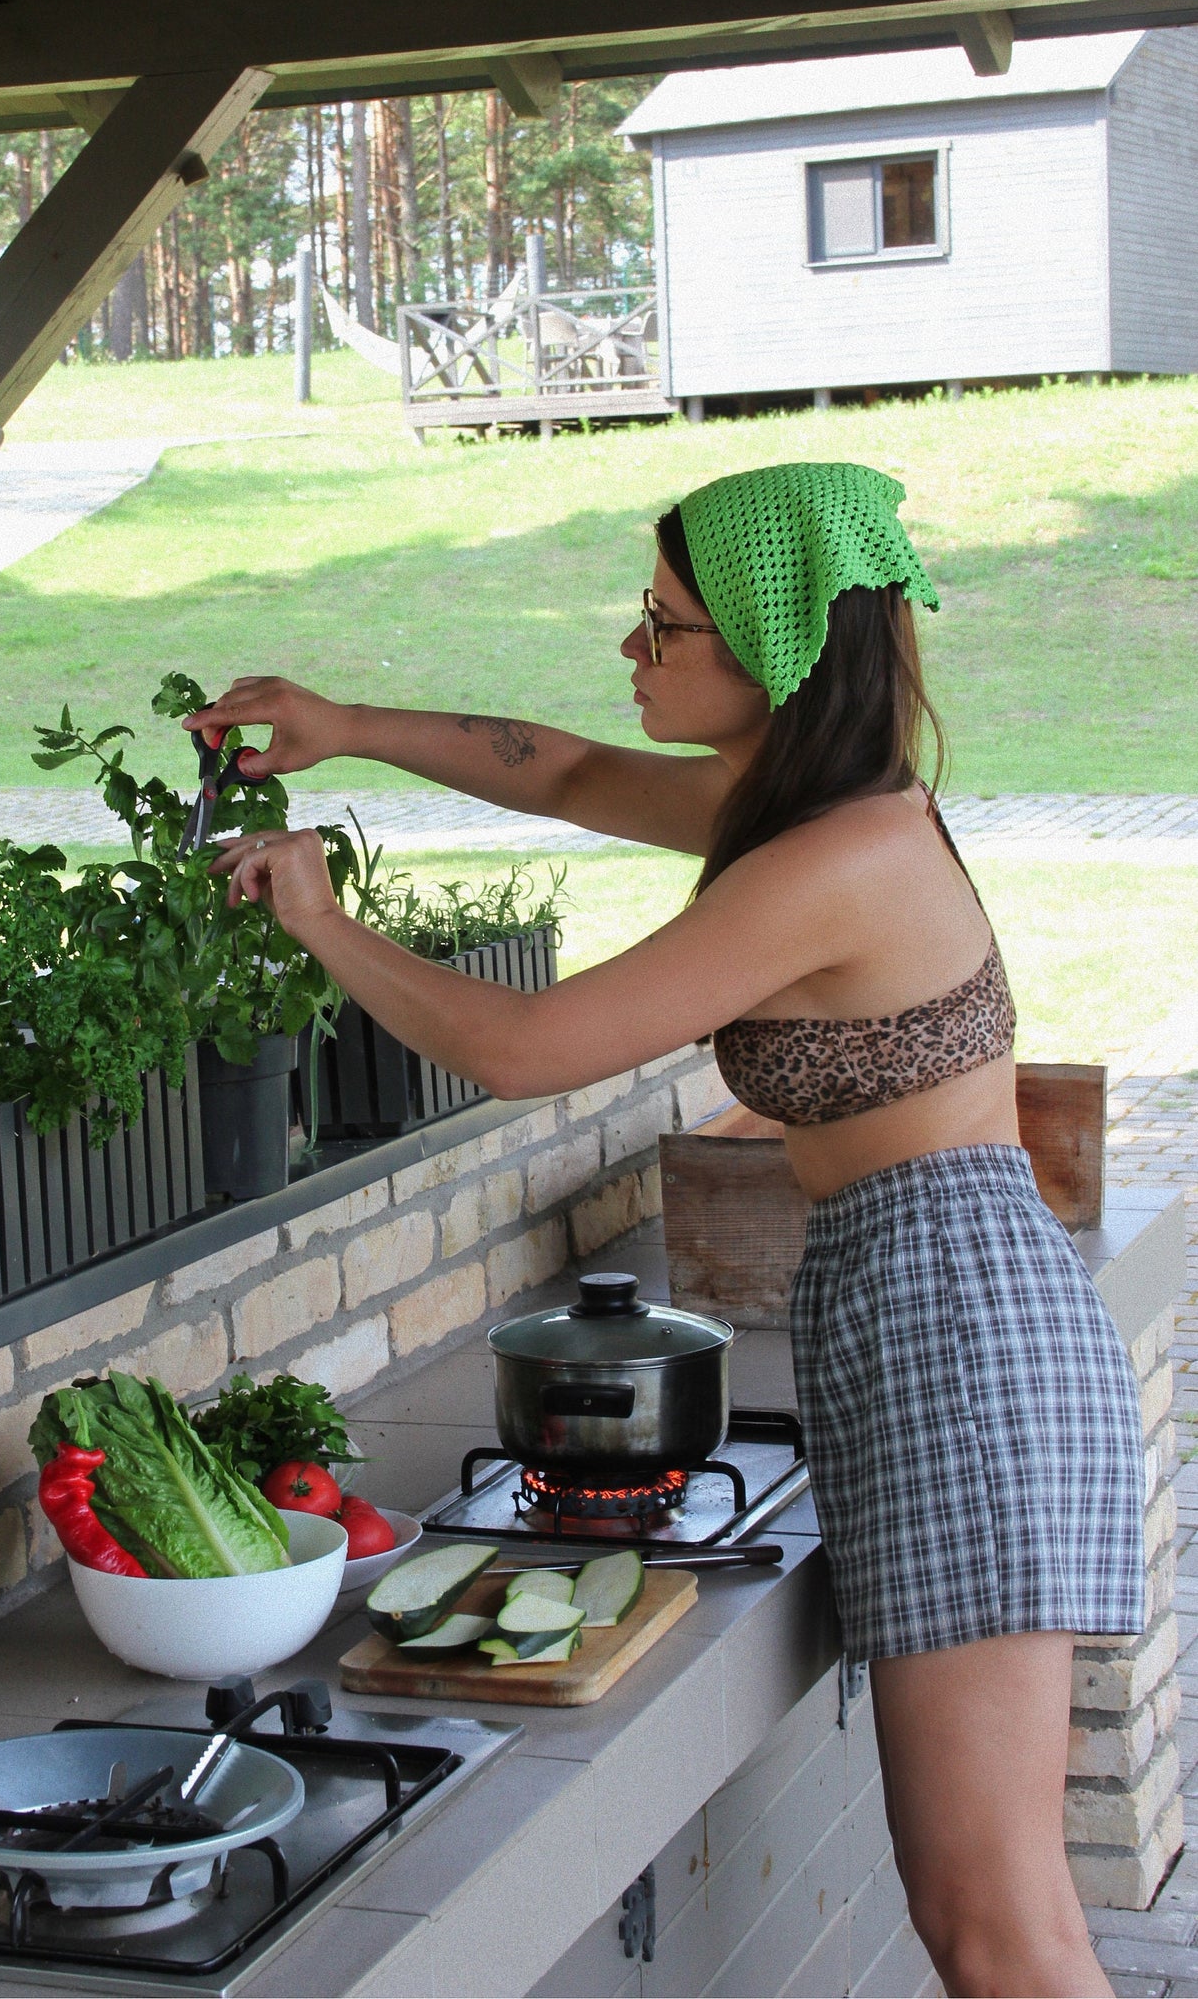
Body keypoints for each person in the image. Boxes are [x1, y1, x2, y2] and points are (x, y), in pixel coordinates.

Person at [188, 460, 1143, 1999]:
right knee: (983, 1910)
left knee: (993, 1923)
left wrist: (317, 916)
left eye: (663, 625)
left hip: (964, 1354)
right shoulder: (804, 806)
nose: (631, 651)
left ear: (769, 645)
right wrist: (342, 723)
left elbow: (526, 1052)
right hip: (931, 1321)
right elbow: (558, 773)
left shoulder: (834, 859)